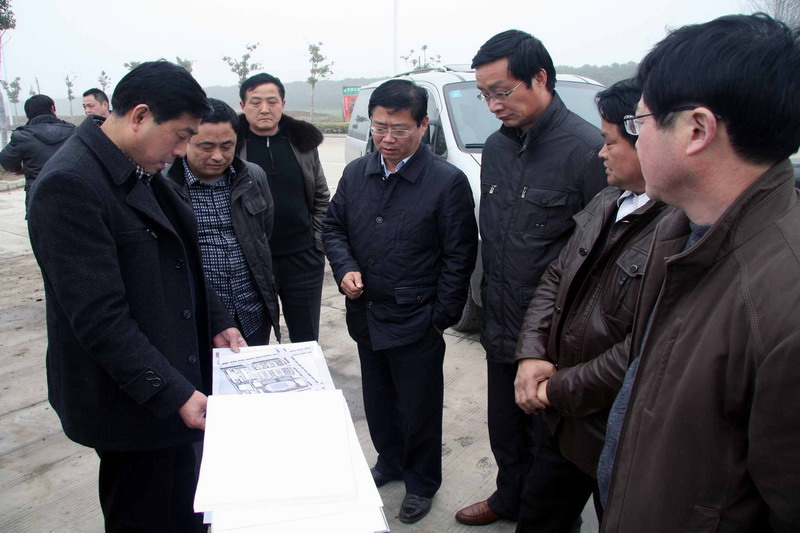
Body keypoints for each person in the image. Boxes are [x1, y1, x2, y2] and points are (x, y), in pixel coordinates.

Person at [597, 14, 800, 532]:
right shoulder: (682, 230)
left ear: (697, 130)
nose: (634, 139)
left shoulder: (783, 304)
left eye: (640, 123)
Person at [27, 61, 246, 533]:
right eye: (181, 136)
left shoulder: (136, 166)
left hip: (172, 381)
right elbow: (99, 318)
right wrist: (173, 393)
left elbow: (178, 262)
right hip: (132, 402)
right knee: (146, 515)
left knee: (186, 510)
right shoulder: (71, 184)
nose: (182, 150)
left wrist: (218, 319)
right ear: (140, 116)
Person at [456, 30, 606, 530]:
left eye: (502, 91)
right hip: (500, 320)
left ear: (540, 77)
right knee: (505, 430)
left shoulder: (587, 151)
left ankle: (546, 518)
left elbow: (597, 258)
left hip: (551, 336)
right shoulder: (497, 148)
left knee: (550, 445)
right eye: (485, 94)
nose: (493, 105)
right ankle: (508, 498)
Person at [512, 78, 672, 526]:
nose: (601, 153)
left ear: (647, 140)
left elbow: (642, 348)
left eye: (610, 142)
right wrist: (531, 353)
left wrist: (557, 389)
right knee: (540, 513)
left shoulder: (676, 227)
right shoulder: (607, 200)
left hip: (611, 424)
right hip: (561, 417)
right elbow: (556, 276)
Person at [323, 79, 478, 524]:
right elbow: (333, 228)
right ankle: (389, 462)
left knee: (418, 409)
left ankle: (422, 482)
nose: (387, 138)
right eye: (379, 127)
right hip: (367, 313)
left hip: (417, 318)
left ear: (423, 125)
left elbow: (459, 256)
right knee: (378, 400)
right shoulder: (358, 173)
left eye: (399, 129)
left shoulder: (446, 182)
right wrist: (345, 267)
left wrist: (441, 317)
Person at [165, 98, 280, 347]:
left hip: (251, 313)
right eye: (206, 146)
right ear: (186, 141)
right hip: (195, 319)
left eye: (227, 146)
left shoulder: (253, 177)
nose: (218, 156)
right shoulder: (165, 185)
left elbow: (263, 233)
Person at [237, 73, 329, 343]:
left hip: (302, 258)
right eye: (255, 102)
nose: (264, 109)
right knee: (251, 343)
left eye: (272, 101)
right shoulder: (232, 146)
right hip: (252, 263)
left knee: (306, 340)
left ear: (283, 104)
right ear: (243, 106)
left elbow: (321, 196)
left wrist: (316, 242)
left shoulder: (302, 144)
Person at [0, 94, 75, 210]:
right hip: (72, 194)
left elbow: (6, 160)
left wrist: (19, 169)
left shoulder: (22, 136)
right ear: (52, 109)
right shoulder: (73, 132)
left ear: (27, 115)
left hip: (38, 198)